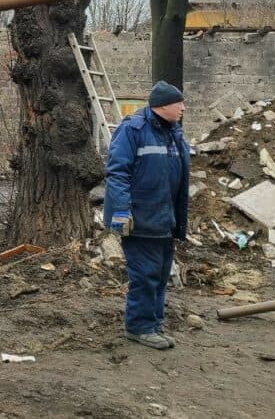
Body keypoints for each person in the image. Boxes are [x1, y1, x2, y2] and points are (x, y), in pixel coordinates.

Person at [104, 80, 190, 350]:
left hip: (164, 219)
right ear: (163, 106)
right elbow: (117, 173)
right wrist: (120, 213)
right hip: (141, 219)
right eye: (179, 103)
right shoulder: (133, 130)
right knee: (145, 275)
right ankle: (139, 327)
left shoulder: (173, 132)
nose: (183, 108)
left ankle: (153, 323)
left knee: (160, 274)